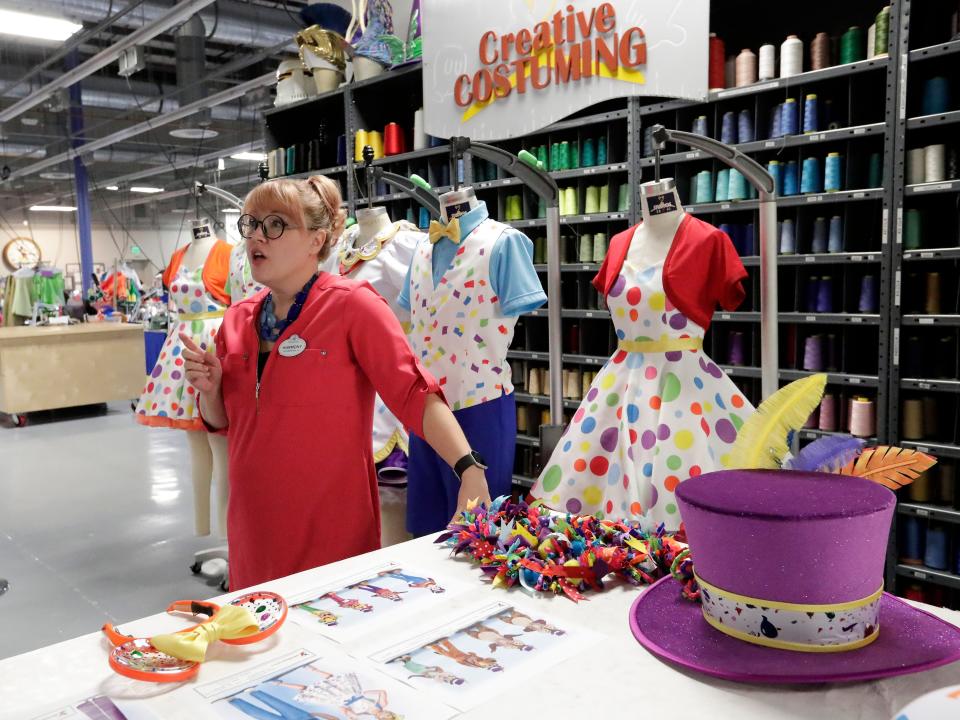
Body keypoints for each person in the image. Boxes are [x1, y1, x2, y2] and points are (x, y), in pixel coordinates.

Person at [181, 175, 491, 589]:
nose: (257, 236)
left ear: (316, 240)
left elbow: (413, 392)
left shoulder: (353, 307)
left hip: (331, 532)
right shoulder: (237, 320)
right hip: (253, 530)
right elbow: (222, 422)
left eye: (275, 224)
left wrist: (469, 469)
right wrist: (210, 390)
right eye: (250, 224)